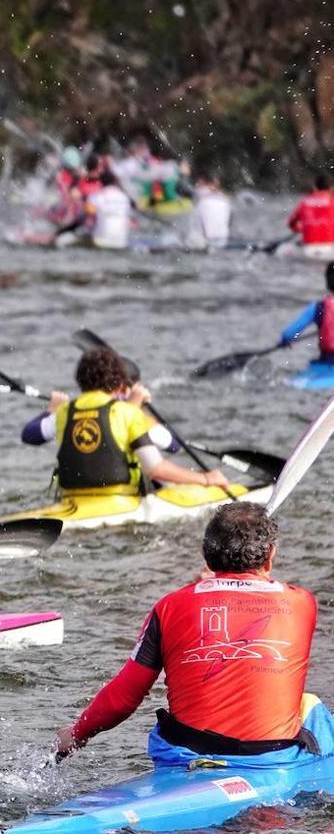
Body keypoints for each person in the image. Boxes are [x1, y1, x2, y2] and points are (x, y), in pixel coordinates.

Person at [53, 502, 334, 770]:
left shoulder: (168, 606)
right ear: (271, 555)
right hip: (271, 756)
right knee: (310, 705)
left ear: (206, 556)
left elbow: (125, 696)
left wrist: (78, 733)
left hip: (187, 753)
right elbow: (252, 595)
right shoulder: (303, 603)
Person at [21, 347, 228, 494]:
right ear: (119, 382)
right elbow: (163, 458)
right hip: (122, 497)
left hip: (73, 498)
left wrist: (50, 412)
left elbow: (29, 435)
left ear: (79, 380)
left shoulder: (65, 412)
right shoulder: (129, 413)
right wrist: (206, 479)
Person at [277, 262, 334, 363]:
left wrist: (285, 341)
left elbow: (288, 335)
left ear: (328, 282)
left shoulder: (319, 308)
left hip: (326, 363)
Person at [83, 169, 133, 249]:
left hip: (100, 239)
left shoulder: (95, 196)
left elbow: (87, 215)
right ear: (114, 182)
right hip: (122, 240)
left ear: (100, 182)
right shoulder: (125, 197)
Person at [185, 169, 231, 250]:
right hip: (222, 243)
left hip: (200, 245)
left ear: (201, 181)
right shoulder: (225, 200)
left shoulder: (199, 195)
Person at [288, 175, 334, 248]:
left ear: (315, 187)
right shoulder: (332, 201)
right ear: (331, 188)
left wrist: (301, 230)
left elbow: (291, 223)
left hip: (309, 245)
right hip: (330, 245)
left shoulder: (305, 202)